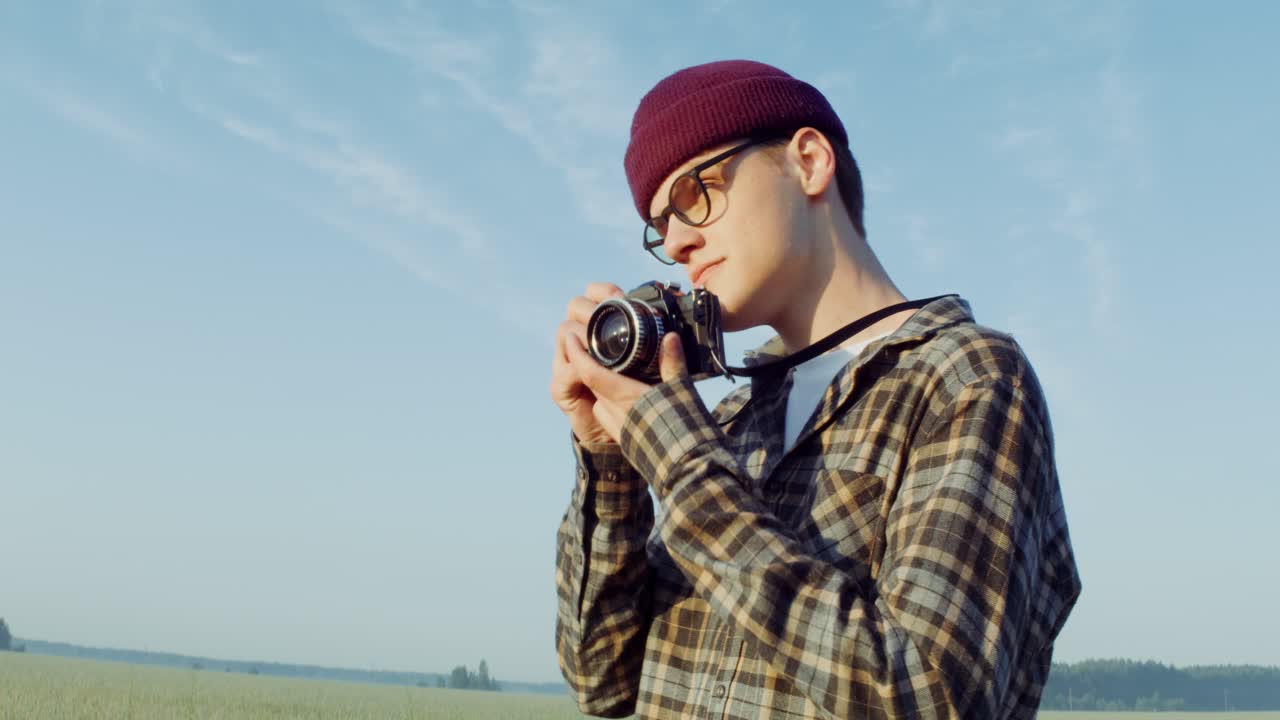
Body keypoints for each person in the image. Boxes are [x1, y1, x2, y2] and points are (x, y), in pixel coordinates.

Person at [550, 59, 1081, 719]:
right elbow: (601, 680)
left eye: (696, 192)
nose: (679, 241)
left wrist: (683, 465)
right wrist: (610, 459)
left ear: (808, 161)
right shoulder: (732, 420)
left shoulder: (966, 378)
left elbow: (930, 699)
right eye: (662, 228)